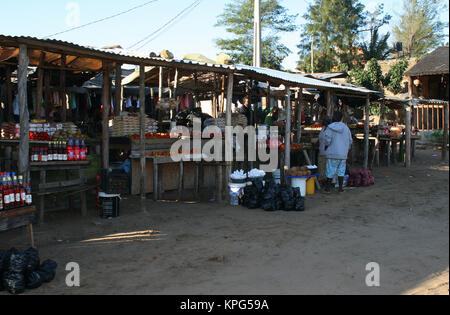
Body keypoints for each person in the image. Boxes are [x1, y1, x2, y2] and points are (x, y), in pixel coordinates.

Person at [323, 111, 352, 193]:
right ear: (341, 118)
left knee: (330, 171)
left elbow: (327, 140)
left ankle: (328, 188)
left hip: (332, 153)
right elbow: (350, 141)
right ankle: (340, 188)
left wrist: (326, 146)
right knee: (341, 171)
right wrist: (347, 150)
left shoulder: (330, 128)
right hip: (342, 154)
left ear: (334, 117)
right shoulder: (346, 128)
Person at [318, 115, 332, 184]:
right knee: (321, 167)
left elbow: (329, 140)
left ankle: (327, 181)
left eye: (324, 120)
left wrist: (326, 146)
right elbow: (321, 137)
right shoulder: (323, 128)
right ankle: (322, 180)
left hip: (328, 152)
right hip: (322, 150)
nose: (322, 122)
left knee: (327, 168)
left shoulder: (331, 129)